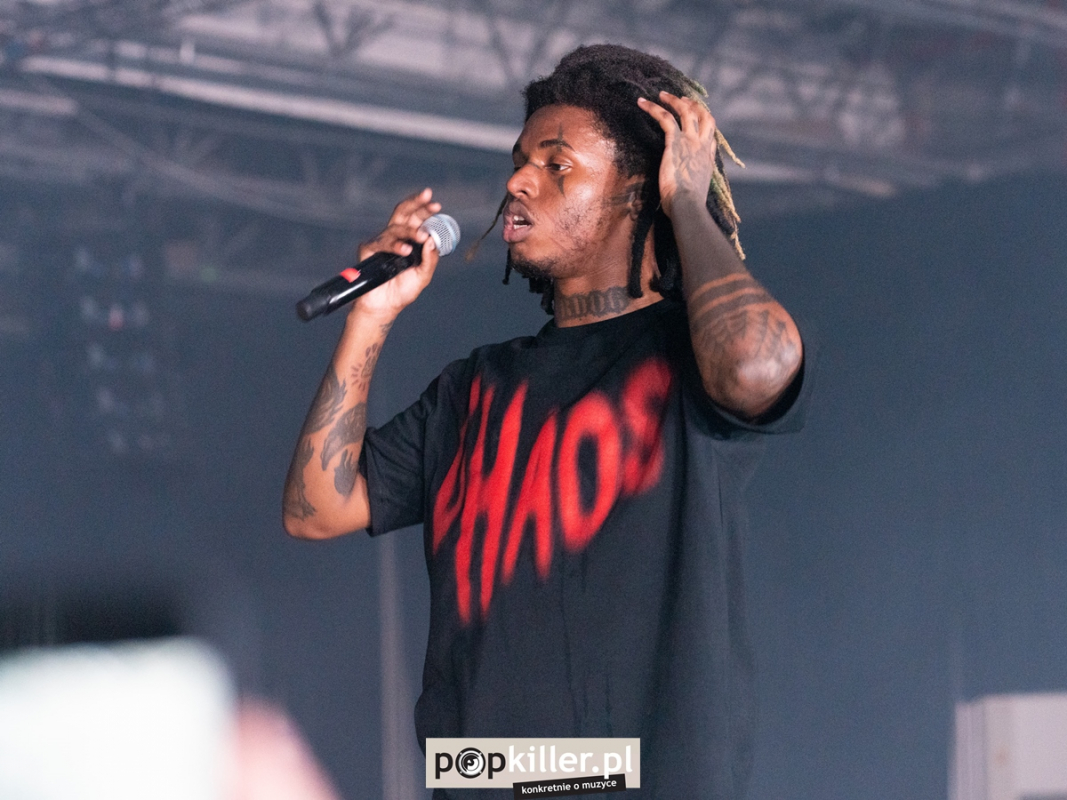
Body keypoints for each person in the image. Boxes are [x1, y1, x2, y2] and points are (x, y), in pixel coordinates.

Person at [283, 44, 809, 799]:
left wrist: (688, 204)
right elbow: (314, 509)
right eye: (519, 161)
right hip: (485, 780)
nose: (518, 182)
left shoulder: (688, 353)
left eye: (557, 165)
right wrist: (370, 318)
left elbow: (756, 367)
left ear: (637, 192)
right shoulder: (474, 388)